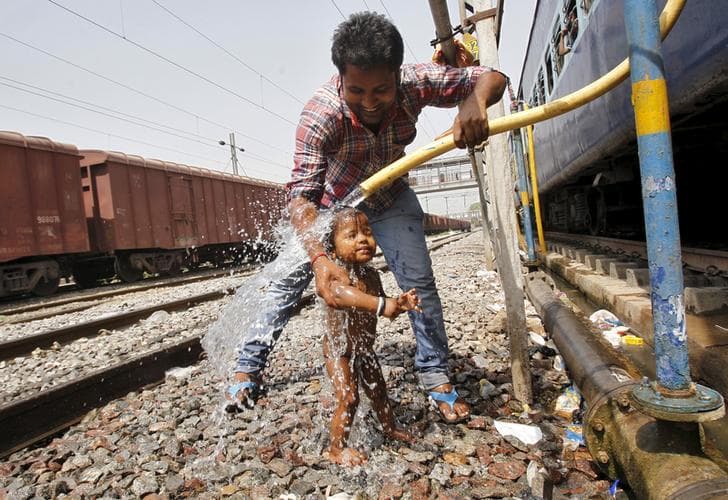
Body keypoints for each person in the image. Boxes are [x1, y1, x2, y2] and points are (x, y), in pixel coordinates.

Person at [226, 11, 507, 423]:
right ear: (341, 77)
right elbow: (302, 197)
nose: (370, 102)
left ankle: (435, 374)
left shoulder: (417, 82)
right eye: (357, 91)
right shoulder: (320, 115)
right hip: (333, 207)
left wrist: (475, 100)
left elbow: (493, 76)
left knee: (419, 284)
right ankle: (247, 368)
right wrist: (320, 259)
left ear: (398, 75)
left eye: (381, 90)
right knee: (285, 285)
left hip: (390, 198)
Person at [320, 207, 419, 466]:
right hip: (338, 351)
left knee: (379, 391)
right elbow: (343, 296)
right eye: (351, 235)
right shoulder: (335, 275)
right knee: (349, 397)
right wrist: (380, 305)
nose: (363, 239)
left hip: (365, 348)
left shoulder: (372, 275)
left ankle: (389, 427)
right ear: (331, 249)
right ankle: (336, 448)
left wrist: (398, 303)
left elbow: (386, 307)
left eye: (367, 233)